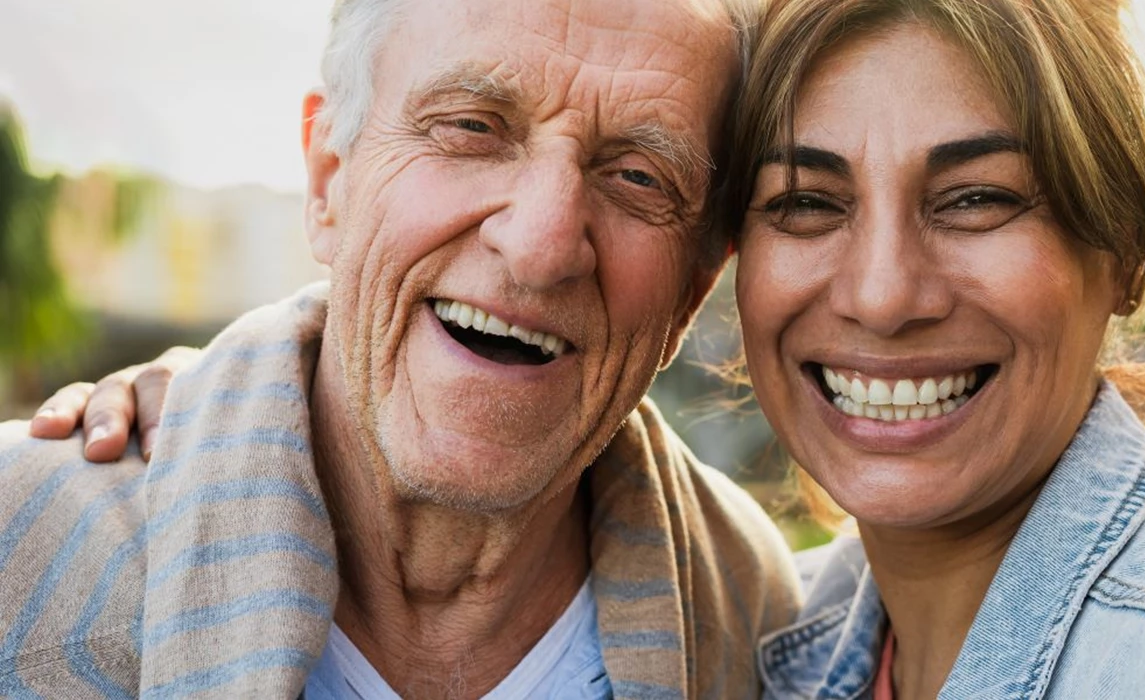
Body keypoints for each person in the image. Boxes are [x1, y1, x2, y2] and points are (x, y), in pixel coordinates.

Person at [29, 0, 1145, 698]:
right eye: (469, 129)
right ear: (327, 177)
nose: (883, 292)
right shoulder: (802, 635)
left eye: (978, 198)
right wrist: (220, 410)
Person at [0, 0, 801, 697]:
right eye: (472, 127)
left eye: (638, 177)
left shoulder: (758, 619)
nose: (541, 245)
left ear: (694, 289)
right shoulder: (21, 552)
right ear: (329, 179)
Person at [724, 0, 1145, 697]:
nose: (882, 297)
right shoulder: (753, 638)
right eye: (805, 202)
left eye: (975, 199)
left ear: (1128, 255)